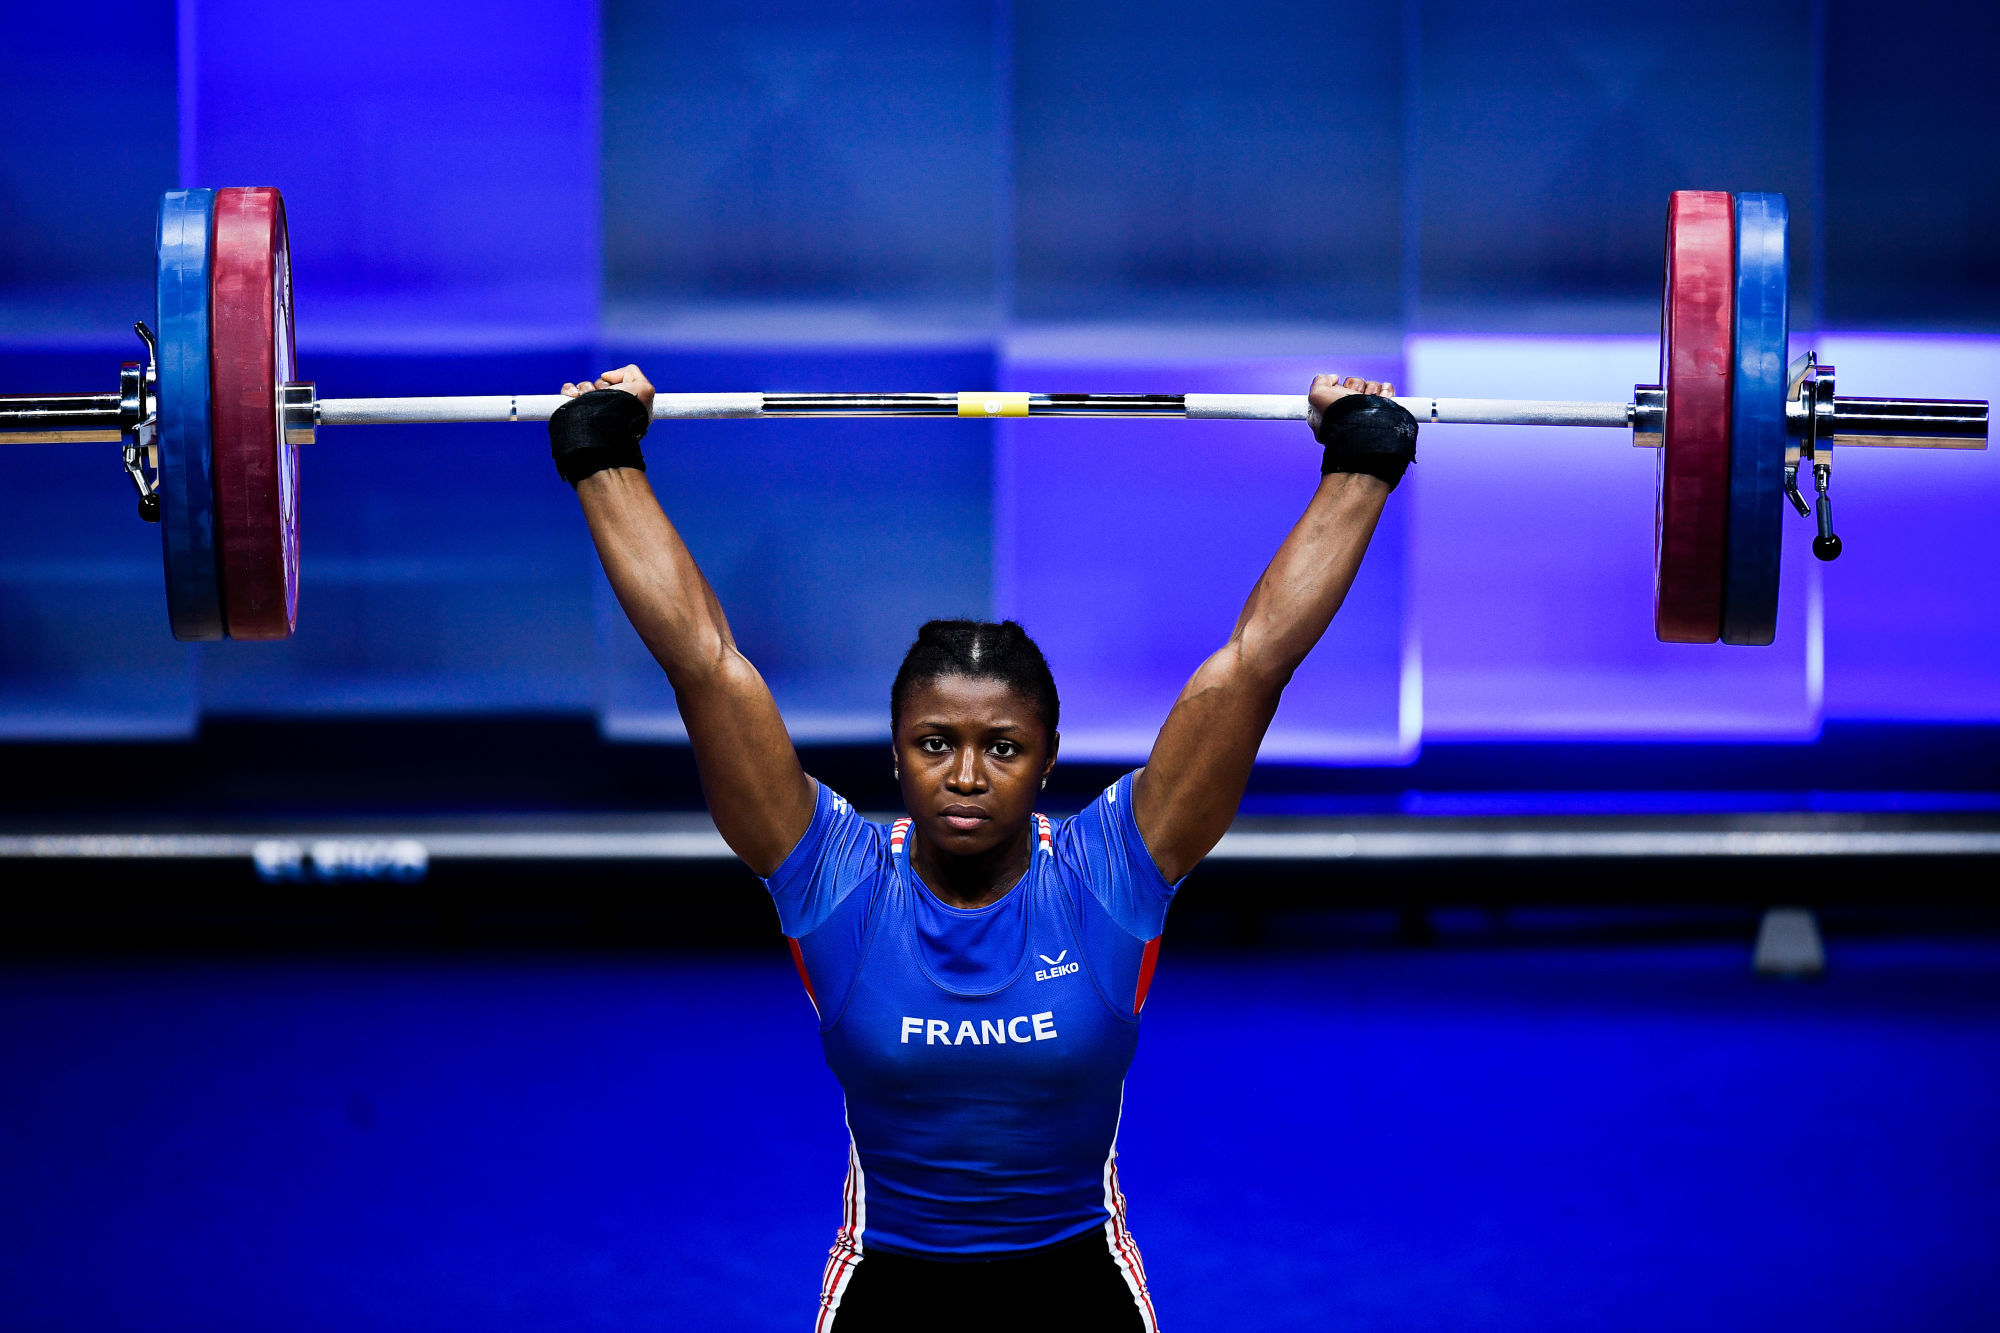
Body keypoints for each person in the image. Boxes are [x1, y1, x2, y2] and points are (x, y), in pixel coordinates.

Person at [549, 368, 1416, 1331]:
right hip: (892, 1281)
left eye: (1001, 747)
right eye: (936, 744)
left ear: (1046, 761)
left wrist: (1360, 458)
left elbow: (1256, 662)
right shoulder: (834, 879)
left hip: (1075, 1274)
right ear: (896, 753)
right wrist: (604, 452)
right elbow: (704, 663)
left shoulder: (1110, 873)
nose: (967, 775)